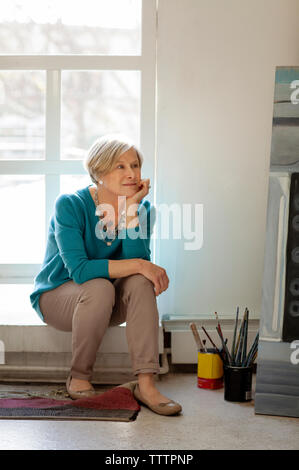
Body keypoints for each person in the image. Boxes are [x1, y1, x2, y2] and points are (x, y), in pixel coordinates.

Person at [29, 133, 182, 416]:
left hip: (108, 300)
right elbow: (81, 270)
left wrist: (132, 210)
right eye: (120, 166)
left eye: (135, 165)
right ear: (98, 172)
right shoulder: (70, 205)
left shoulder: (144, 208)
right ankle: (79, 375)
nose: (131, 173)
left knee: (139, 282)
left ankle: (146, 384)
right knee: (102, 284)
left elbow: (136, 264)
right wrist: (141, 265)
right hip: (58, 296)